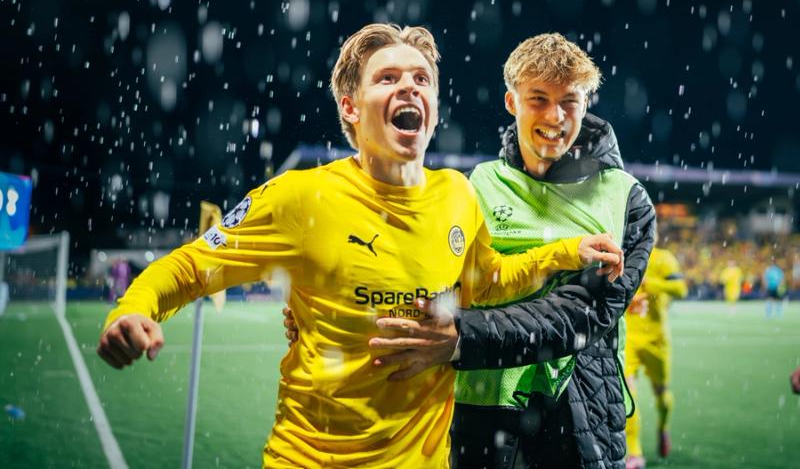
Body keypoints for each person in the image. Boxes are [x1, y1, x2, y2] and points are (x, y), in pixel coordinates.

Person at [96, 23, 623, 468]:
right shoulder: (301, 197)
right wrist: (135, 309)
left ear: (435, 105)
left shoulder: (457, 196)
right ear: (350, 106)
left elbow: (488, 281)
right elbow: (192, 266)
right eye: (387, 78)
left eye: (422, 79)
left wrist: (567, 252)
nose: (410, 88)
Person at [369, 33, 656, 469]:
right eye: (538, 98)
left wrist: (463, 338)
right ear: (511, 102)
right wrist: (331, 308)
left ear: (587, 103)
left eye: (570, 100)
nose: (555, 116)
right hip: (483, 412)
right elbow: (422, 280)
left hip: (587, 419)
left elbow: (579, 316)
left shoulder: (627, 200)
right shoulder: (471, 188)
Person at [623, 245, 687, 469]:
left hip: (656, 340)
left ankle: (663, 427)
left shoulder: (663, 258)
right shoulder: (623, 255)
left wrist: (650, 283)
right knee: (627, 394)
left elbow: (681, 289)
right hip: (628, 337)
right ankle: (633, 451)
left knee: (662, 395)